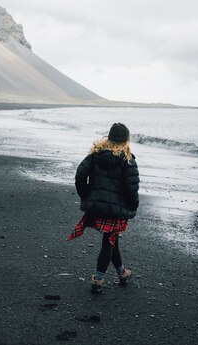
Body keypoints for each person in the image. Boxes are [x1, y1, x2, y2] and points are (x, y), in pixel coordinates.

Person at [67, 123, 140, 294]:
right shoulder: (127, 160)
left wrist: (86, 194)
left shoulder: (95, 155)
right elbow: (132, 188)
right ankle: (98, 279)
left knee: (111, 238)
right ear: (126, 140)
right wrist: (133, 205)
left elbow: (80, 176)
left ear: (109, 137)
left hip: (97, 206)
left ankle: (122, 273)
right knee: (109, 241)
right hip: (116, 210)